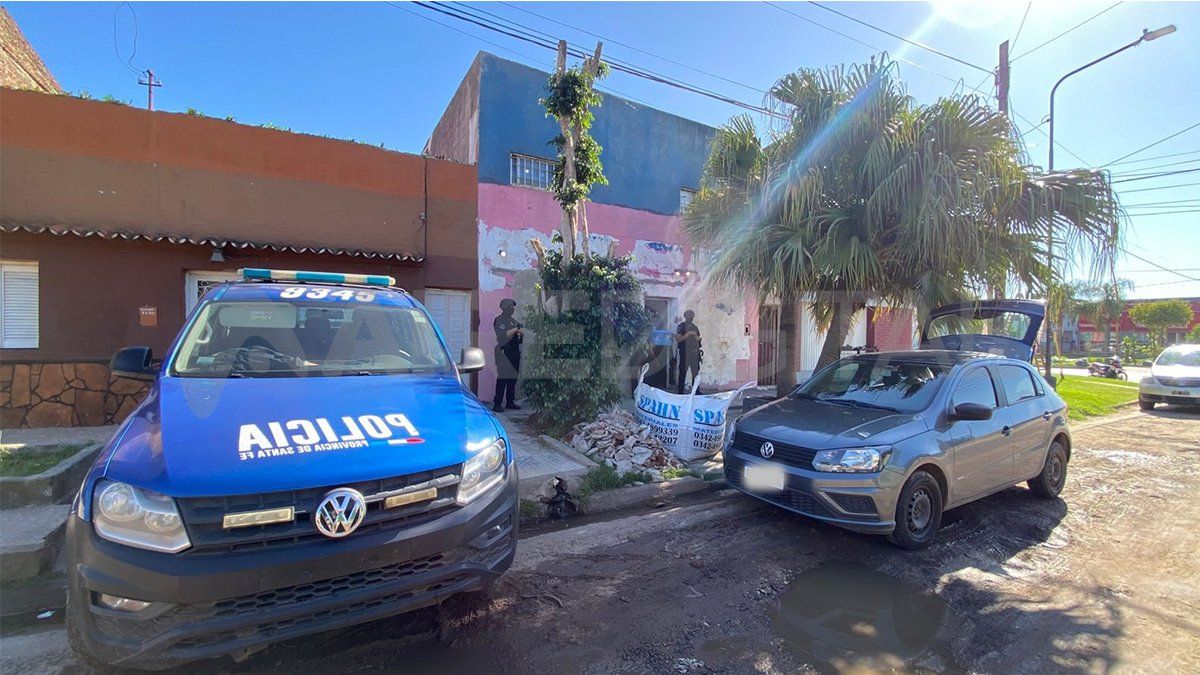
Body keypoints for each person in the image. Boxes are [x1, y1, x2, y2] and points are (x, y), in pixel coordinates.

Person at [492, 299, 523, 413]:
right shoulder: (499, 320)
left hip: (514, 352)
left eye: (513, 308)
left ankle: (510, 401)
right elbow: (503, 335)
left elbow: (519, 339)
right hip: (504, 352)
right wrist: (515, 329)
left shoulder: (513, 321)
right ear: (505, 308)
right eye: (511, 307)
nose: (512, 309)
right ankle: (497, 403)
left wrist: (520, 333)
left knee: (513, 378)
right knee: (503, 378)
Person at [675, 309, 701, 394]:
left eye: (691, 316)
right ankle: (680, 391)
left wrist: (696, 337)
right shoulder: (681, 326)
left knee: (695, 373)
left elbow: (698, 338)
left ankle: (696, 390)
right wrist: (688, 333)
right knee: (682, 372)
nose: (690, 318)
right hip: (685, 353)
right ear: (685, 317)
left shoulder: (695, 327)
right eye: (688, 316)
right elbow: (678, 339)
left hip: (694, 353)